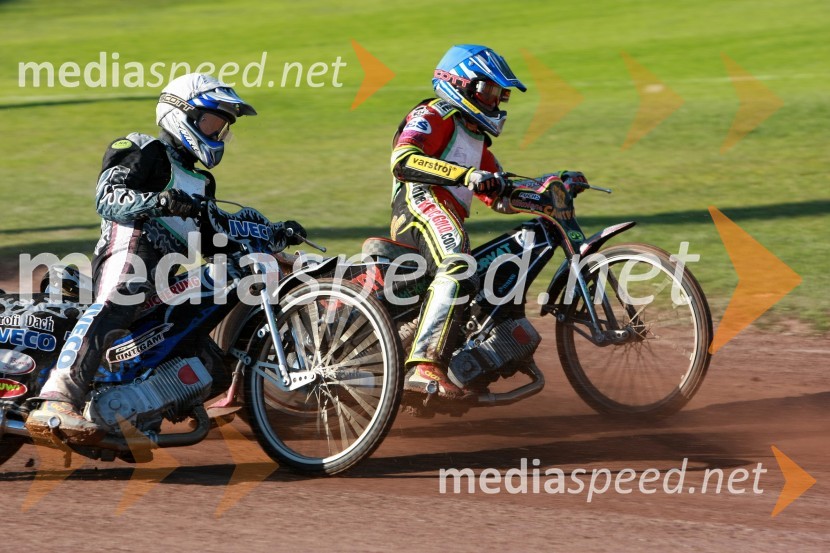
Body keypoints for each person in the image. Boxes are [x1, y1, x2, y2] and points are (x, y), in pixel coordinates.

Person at [27, 73, 264, 444]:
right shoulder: (143, 147)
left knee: (207, 348)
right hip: (130, 249)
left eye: (222, 127)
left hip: (166, 275)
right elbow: (108, 197)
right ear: (180, 114)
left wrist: (271, 230)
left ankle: (138, 409)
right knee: (121, 298)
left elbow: (216, 243)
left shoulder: (201, 183)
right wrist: (158, 201)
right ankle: (58, 397)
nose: (217, 134)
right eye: (211, 122)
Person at [389, 45, 526, 399]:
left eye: (499, 95)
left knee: (476, 274)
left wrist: (551, 187)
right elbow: (403, 160)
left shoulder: (477, 138)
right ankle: (424, 366)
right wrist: (463, 175)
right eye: (488, 91)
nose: (495, 101)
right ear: (459, 84)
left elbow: (500, 195)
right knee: (459, 264)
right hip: (419, 201)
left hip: (445, 210)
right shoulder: (435, 114)